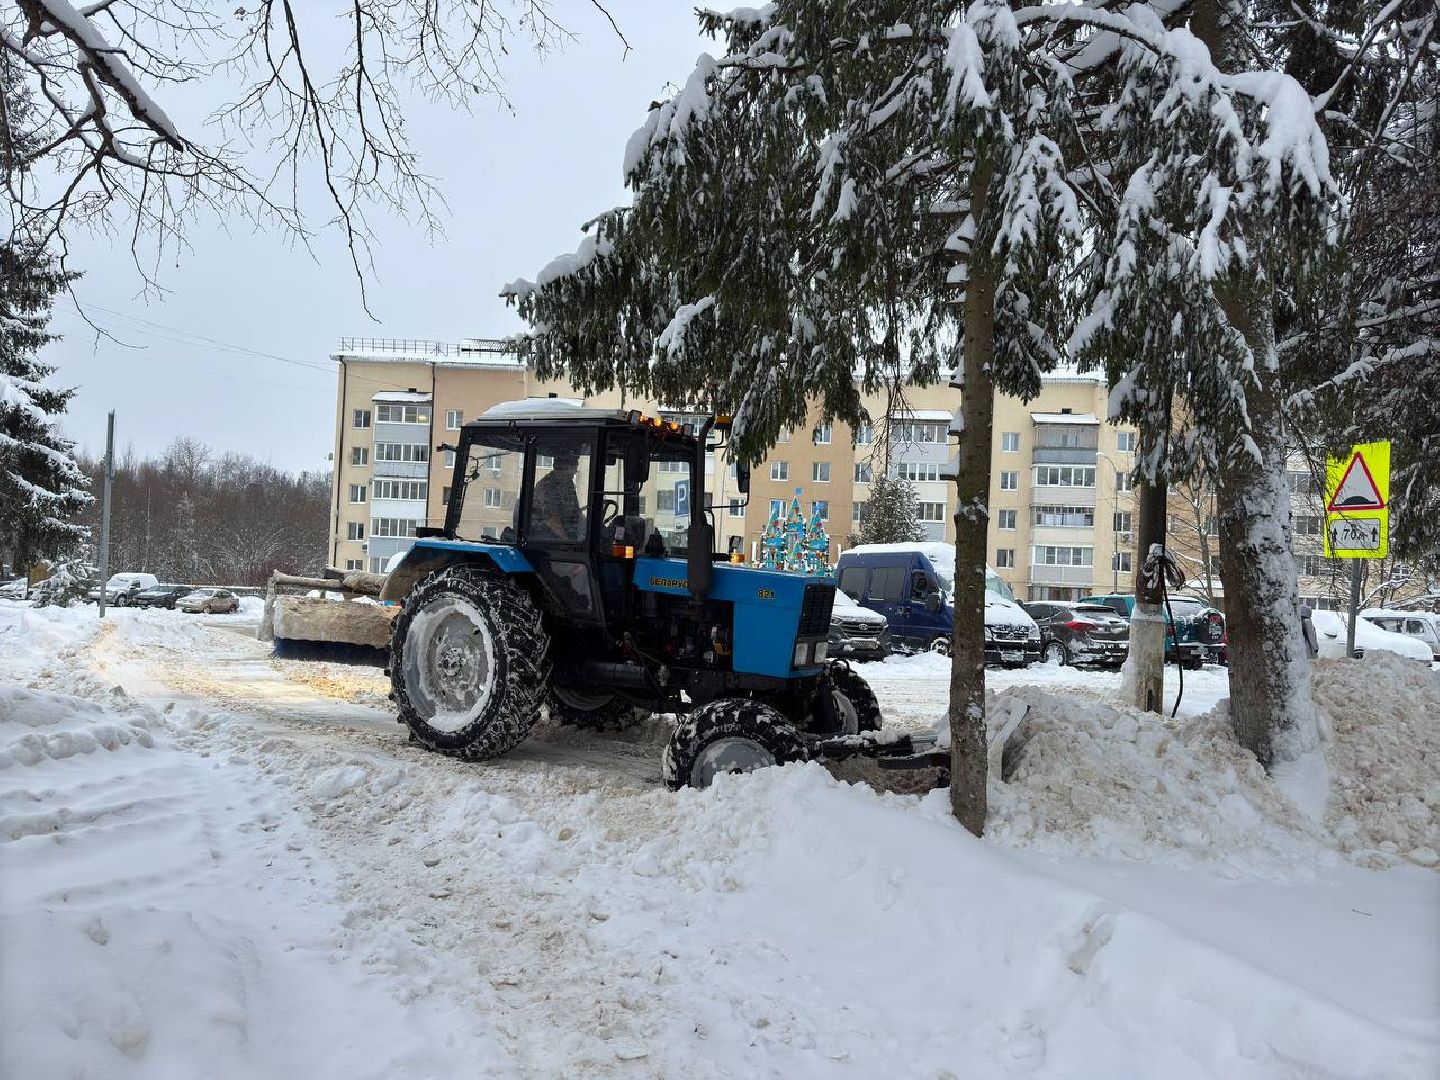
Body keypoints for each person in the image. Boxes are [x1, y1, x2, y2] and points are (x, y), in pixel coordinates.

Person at [532, 447, 583, 541]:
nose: (573, 474)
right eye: (571, 471)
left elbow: (576, 512)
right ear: (561, 468)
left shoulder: (568, 484)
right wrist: (568, 542)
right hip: (546, 537)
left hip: (564, 531)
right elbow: (551, 520)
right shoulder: (547, 486)